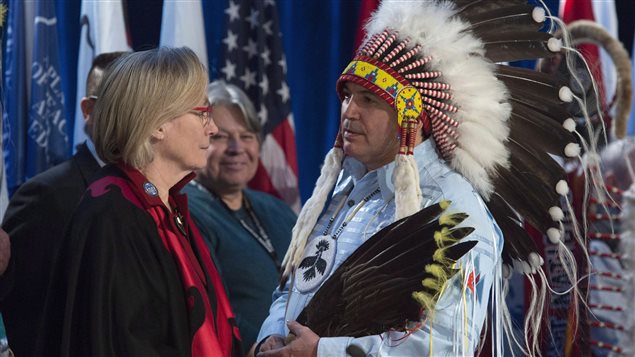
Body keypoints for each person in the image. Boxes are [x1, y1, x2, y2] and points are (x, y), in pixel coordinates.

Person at [256, 1, 599, 356]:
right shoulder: (348, 190)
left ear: (413, 119)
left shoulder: (453, 215)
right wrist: (271, 335)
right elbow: (295, 286)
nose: (349, 111)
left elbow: (442, 347)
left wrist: (321, 353)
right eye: (348, 96)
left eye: (369, 99)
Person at [37, 47, 241, 356]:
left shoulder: (169, 209)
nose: (212, 128)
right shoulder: (112, 215)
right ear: (157, 124)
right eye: (203, 112)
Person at [0, 52, 125, 357]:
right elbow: (25, 313)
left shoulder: (160, 193)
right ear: (89, 109)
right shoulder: (47, 196)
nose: (137, 115)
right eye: (123, 103)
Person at [183, 80, 296, 351]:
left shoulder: (278, 209)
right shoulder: (186, 210)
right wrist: (263, 348)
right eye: (220, 137)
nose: (236, 148)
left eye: (246, 136)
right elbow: (208, 306)